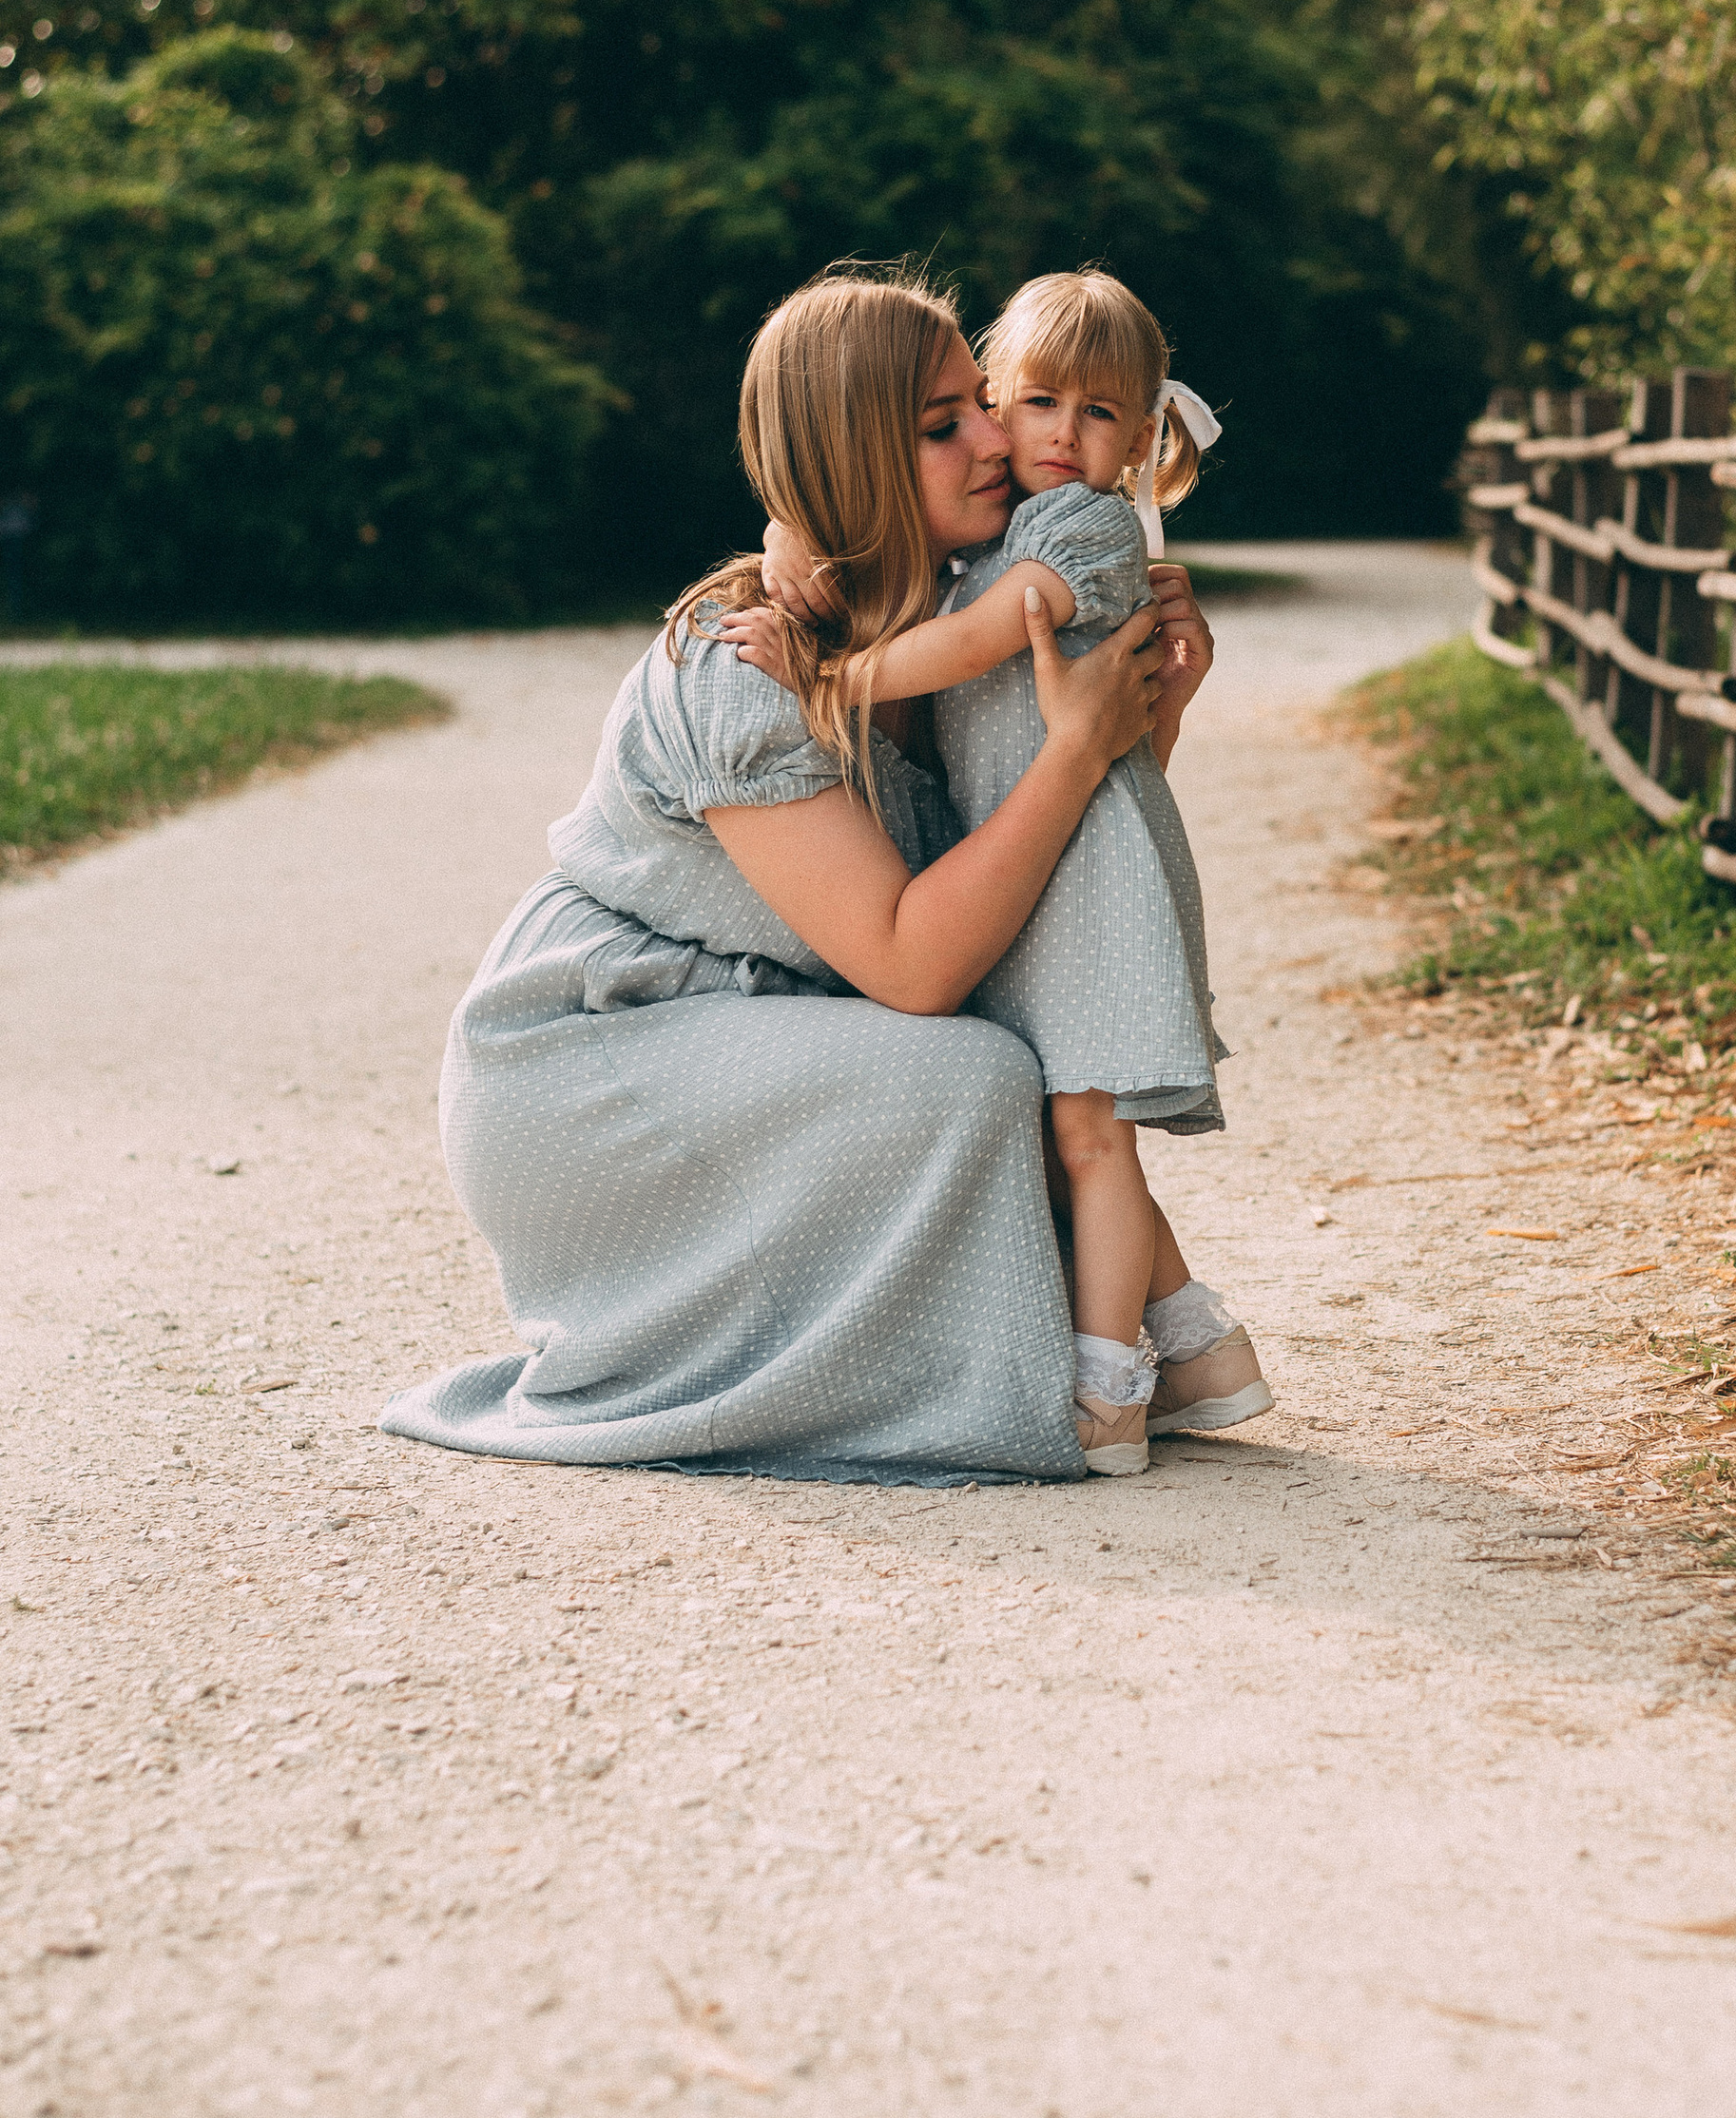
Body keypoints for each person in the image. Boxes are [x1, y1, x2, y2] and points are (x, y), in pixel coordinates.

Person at [381, 265, 1194, 1488]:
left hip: (769, 1037)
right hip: (601, 1056)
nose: (996, 440)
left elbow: (1077, 880)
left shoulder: (949, 633)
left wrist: (1144, 706)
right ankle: (1018, 1374)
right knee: (978, 1071)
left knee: (1031, 1065)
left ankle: (1088, 1351)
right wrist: (1075, 750)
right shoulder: (745, 660)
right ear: (850, 457)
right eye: (941, 426)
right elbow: (919, 966)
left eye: (982, 401)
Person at [748, 270, 1269, 1476]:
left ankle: (1108, 1391)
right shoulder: (998, 532)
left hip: (1087, 872)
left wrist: (831, 680)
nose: (1055, 437)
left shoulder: (1079, 528)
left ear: (1140, 439)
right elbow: (892, 541)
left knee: (1088, 1134)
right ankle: (1200, 1350)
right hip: (1056, 863)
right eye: (1032, 402)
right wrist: (789, 535)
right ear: (994, 399)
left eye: (1098, 417)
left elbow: (985, 643)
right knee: (1064, 1124)